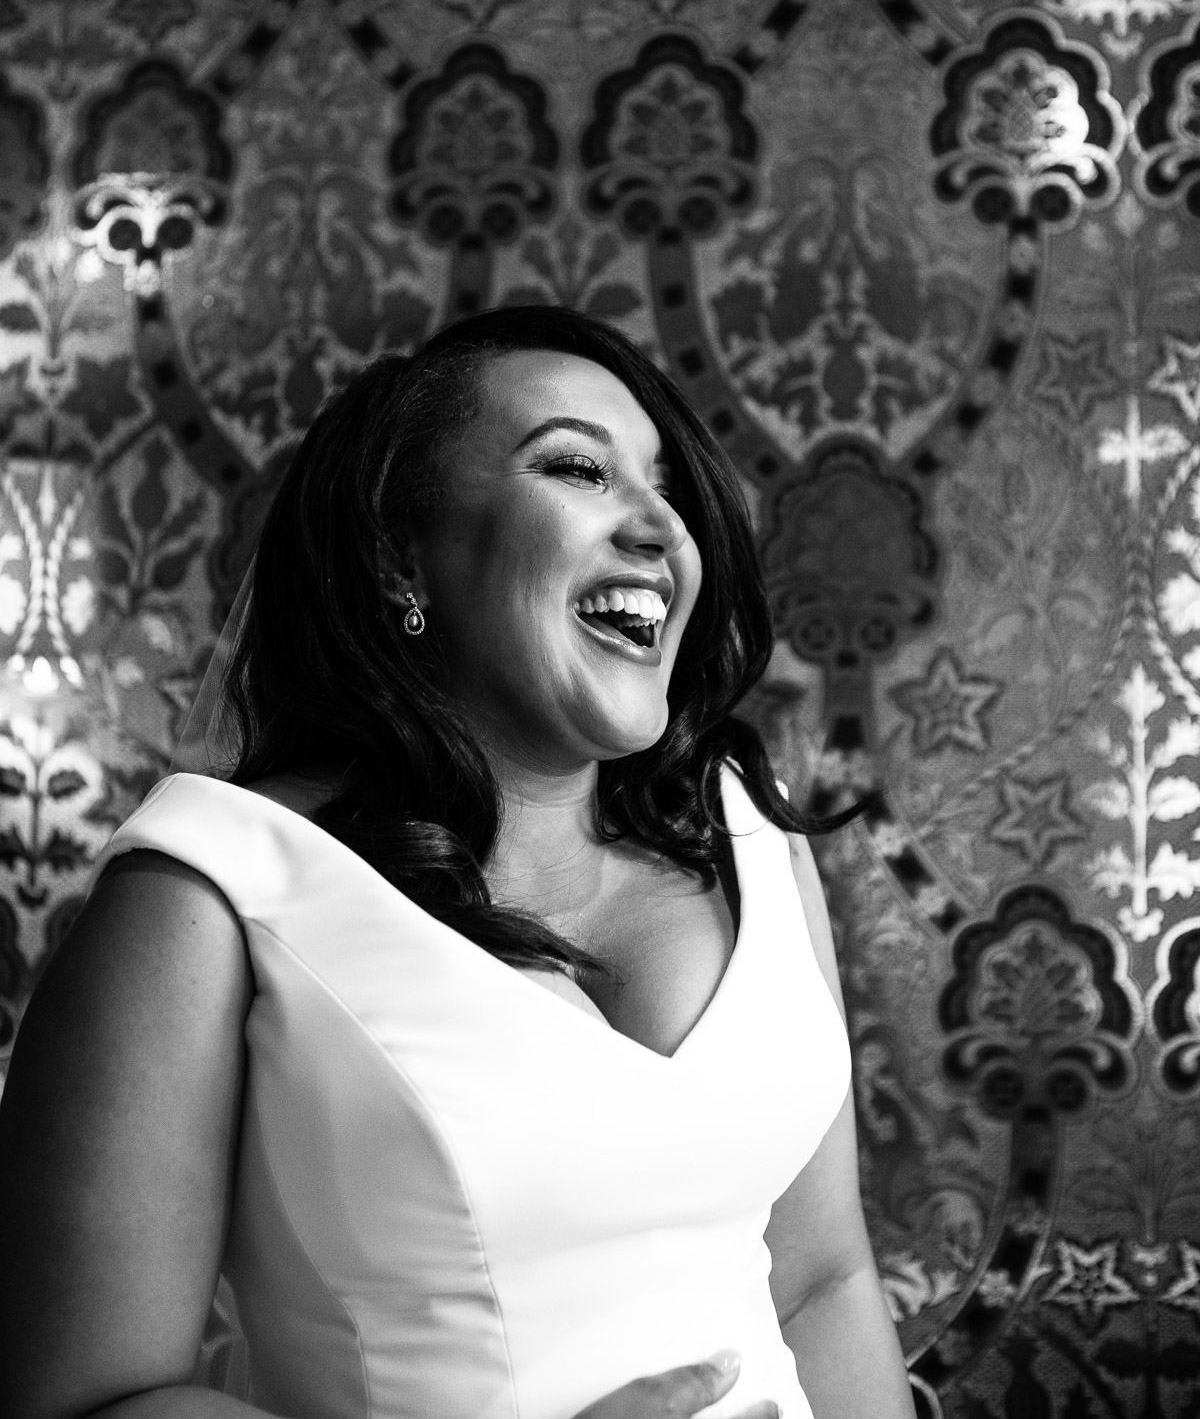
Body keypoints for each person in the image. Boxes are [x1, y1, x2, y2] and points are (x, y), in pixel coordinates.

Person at [0, 306, 915, 1419]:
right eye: (580, 468)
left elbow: (825, 1280)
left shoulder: (749, 838)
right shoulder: (207, 893)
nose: (662, 531)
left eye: (668, 489)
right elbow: (83, 1401)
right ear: (400, 555)